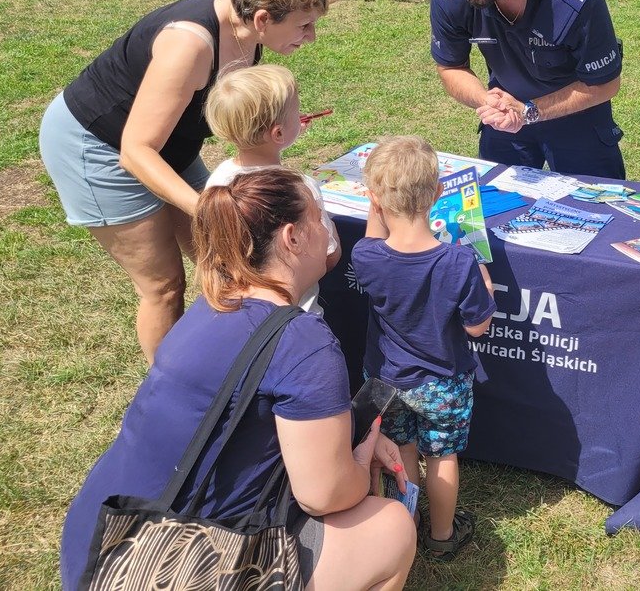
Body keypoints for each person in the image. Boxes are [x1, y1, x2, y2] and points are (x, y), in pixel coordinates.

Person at [59, 168, 416, 591]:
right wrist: (360, 460)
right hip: (174, 563)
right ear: (292, 237)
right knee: (392, 525)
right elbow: (324, 494)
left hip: (102, 545)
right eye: (319, 218)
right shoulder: (303, 341)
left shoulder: (212, 302)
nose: (328, 230)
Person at [39, 0, 335, 362]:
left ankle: (228, 364)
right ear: (265, 17)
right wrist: (209, 207)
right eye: (305, 26)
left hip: (162, 144)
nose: (311, 37)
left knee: (233, 258)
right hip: (97, 145)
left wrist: (272, 127)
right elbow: (136, 151)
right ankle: (171, 397)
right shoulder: (190, 44)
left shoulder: (247, 30)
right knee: (164, 285)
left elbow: (217, 107)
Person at [353, 135, 497, 560]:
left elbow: (374, 237)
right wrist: (485, 283)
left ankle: (405, 526)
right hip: (443, 382)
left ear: (375, 200)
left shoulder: (366, 255)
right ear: (438, 193)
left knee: (400, 452)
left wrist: (376, 204)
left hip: (388, 378)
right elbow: (477, 327)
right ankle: (441, 535)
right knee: (443, 457)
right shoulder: (458, 262)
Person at [430, 0, 627, 179]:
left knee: (598, 209)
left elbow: (605, 84)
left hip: (577, 115)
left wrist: (529, 112)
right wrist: (487, 101)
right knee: (496, 210)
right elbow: (451, 66)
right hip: (504, 115)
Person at [204, 63, 341, 314]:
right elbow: (329, 255)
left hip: (239, 312)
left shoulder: (218, 182)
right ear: (277, 133)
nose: (302, 116)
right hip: (295, 316)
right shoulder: (299, 187)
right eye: (297, 113)